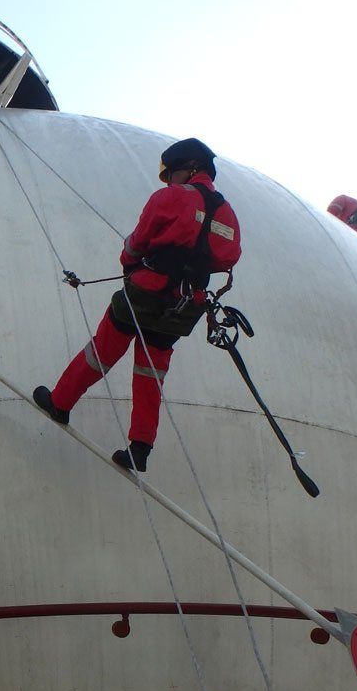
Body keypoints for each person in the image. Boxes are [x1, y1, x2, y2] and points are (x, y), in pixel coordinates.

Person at [33, 137, 242, 470]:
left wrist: (130, 263)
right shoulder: (228, 214)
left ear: (189, 169)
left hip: (147, 291)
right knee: (151, 372)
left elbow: (139, 239)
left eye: (172, 172)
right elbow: (229, 256)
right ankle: (140, 449)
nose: (170, 179)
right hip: (184, 305)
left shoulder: (172, 196)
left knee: (102, 351)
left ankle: (60, 402)